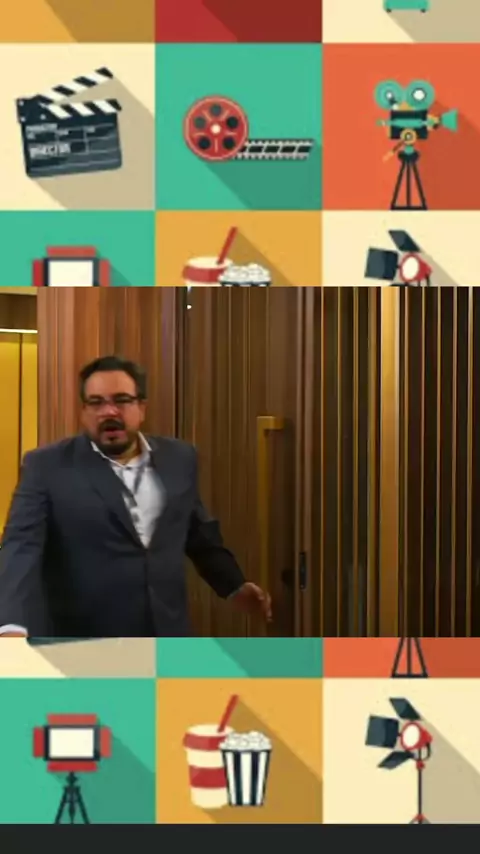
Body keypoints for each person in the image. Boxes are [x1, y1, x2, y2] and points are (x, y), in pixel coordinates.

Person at [0, 355, 271, 638]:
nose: (109, 412)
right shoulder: (47, 466)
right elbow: (20, 546)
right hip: (82, 639)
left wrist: (234, 586)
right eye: (96, 402)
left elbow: (197, 533)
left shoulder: (180, 458)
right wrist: (11, 625)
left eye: (122, 400)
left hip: (166, 633)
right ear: (83, 411)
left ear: (142, 407)